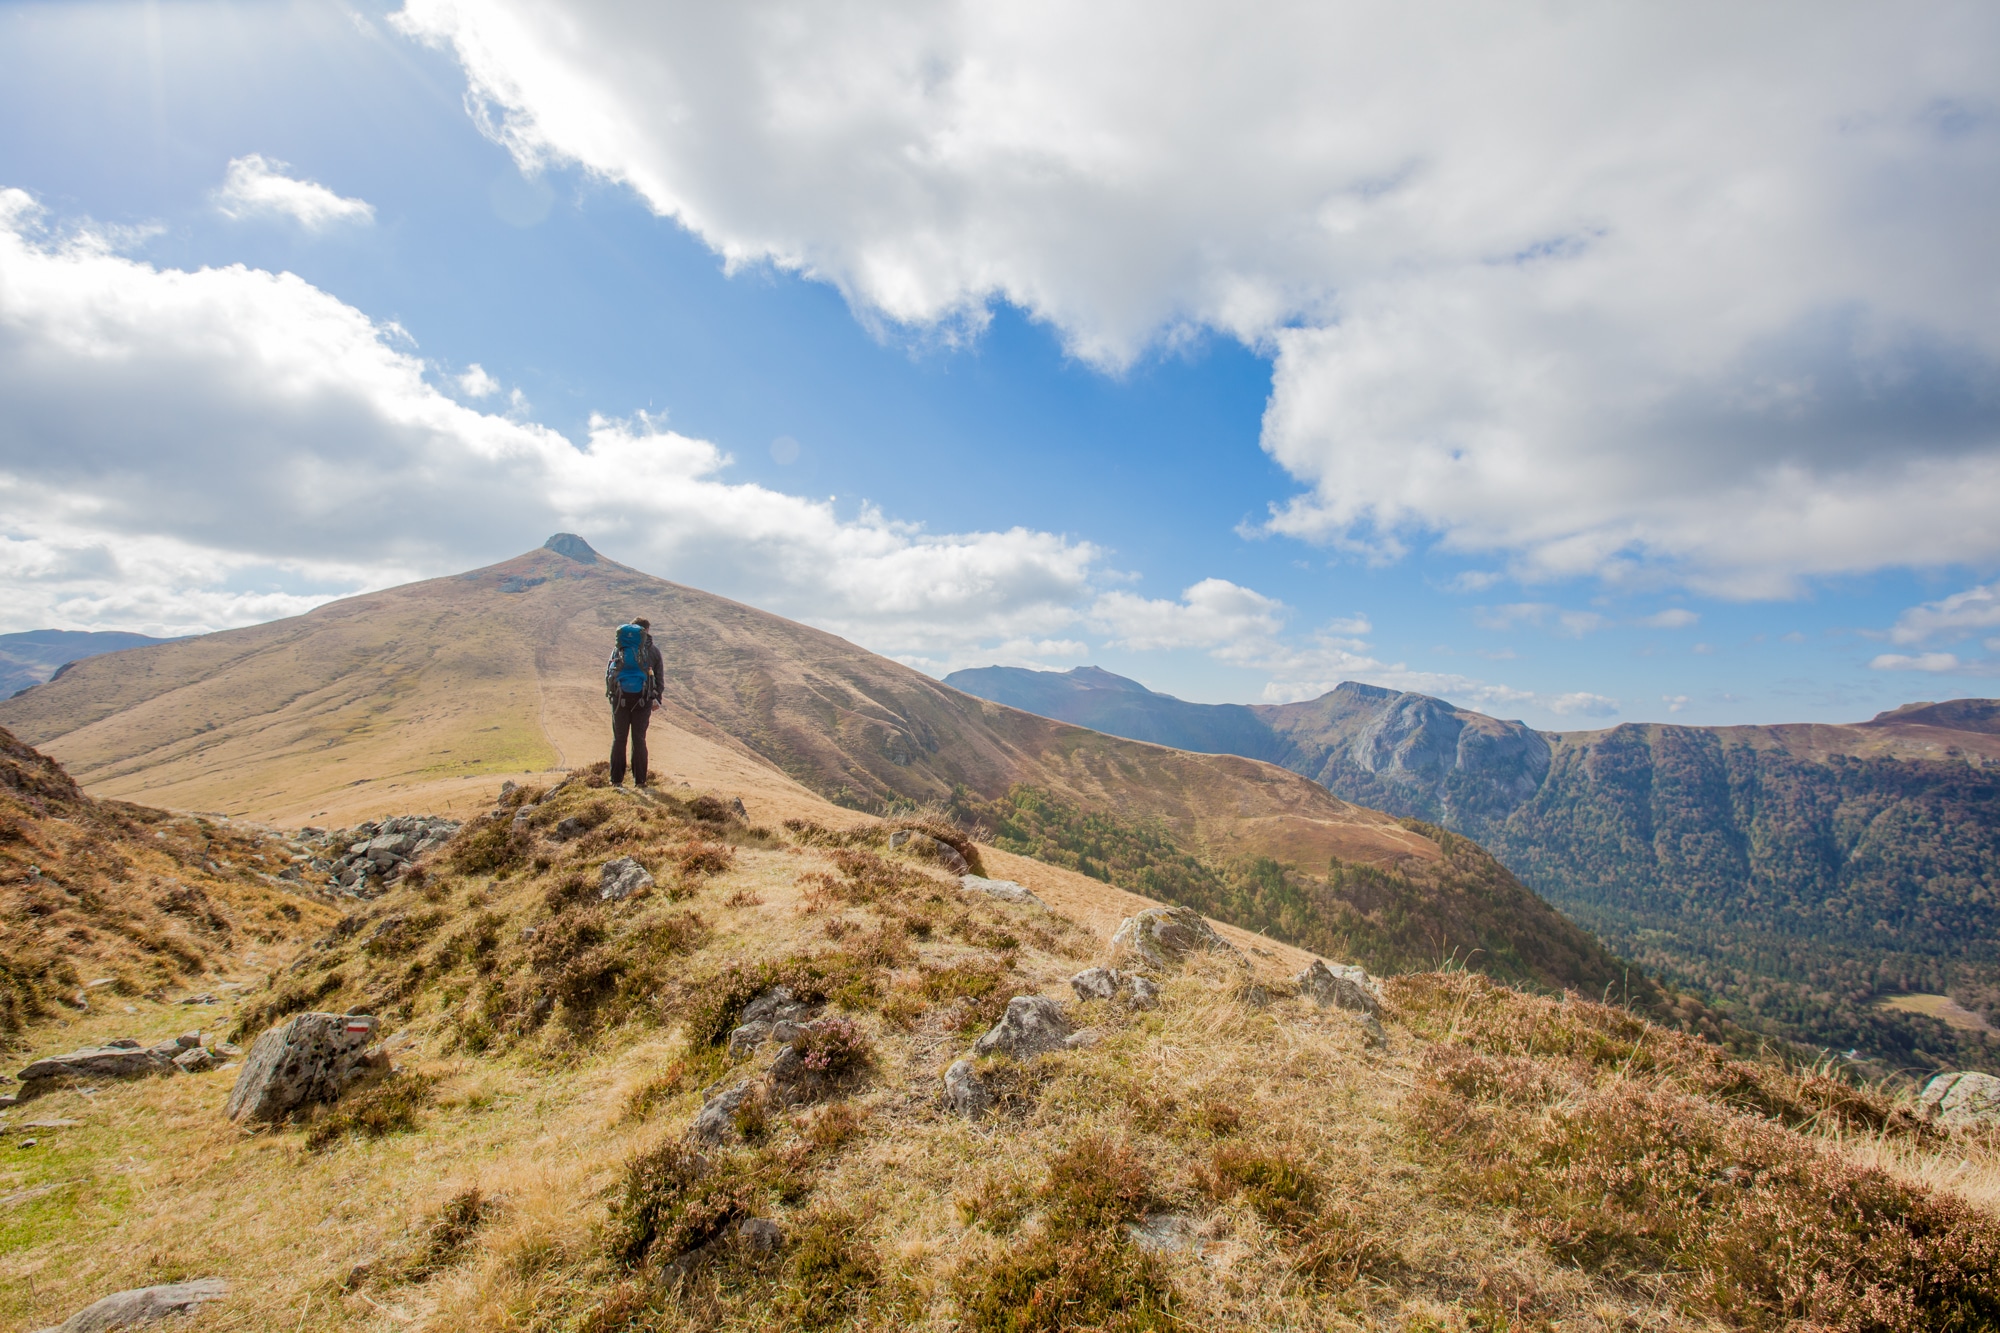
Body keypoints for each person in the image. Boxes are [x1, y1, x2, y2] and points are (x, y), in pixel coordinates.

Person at [604, 616, 665, 787]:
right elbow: (659, 678)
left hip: (620, 699)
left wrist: (611, 694)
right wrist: (656, 699)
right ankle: (640, 781)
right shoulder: (652, 651)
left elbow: (609, 673)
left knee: (619, 739)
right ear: (647, 631)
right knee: (639, 739)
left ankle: (616, 780)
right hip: (643, 700)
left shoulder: (619, 649)